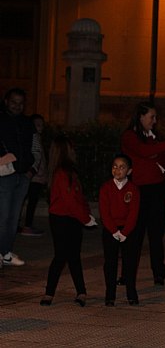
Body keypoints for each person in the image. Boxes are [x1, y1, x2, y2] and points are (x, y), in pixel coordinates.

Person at [121, 102, 165, 285]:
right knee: (135, 234)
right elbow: (144, 152)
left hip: (156, 189)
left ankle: (159, 273)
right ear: (141, 117)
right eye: (152, 117)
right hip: (139, 190)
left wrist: (157, 157)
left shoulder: (153, 136)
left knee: (156, 234)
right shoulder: (129, 136)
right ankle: (127, 274)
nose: (155, 121)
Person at [40, 135, 98, 306]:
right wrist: (85, 219)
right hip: (63, 219)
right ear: (66, 151)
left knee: (72, 256)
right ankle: (51, 292)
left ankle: (80, 292)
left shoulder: (66, 172)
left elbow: (79, 197)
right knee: (62, 256)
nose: (75, 151)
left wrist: (86, 215)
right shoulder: (62, 173)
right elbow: (70, 200)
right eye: (72, 148)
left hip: (68, 219)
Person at [0, 88, 39, 266]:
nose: (17, 106)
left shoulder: (27, 123)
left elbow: (36, 148)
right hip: (4, 174)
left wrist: (32, 170)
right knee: (3, 216)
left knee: (14, 217)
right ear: (6, 101)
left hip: (23, 175)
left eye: (20, 103)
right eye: (14, 102)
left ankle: (6, 252)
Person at [99, 153, 140, 306]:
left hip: (128, 231)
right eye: (115, 167)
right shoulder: (106, 187)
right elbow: (104, 212)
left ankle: (131, 292)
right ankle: (110, 294)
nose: (117, 170)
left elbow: (133, 213)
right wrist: (114, 231)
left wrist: (125, 232)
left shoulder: (133, 189)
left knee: (130, 262)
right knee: (110, 263)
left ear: (129, 171)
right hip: (111, 230)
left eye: (122, 167)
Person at [20, 113, 48, 236]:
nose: (40, 127)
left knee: (31, 201)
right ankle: (27, 225)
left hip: (38, 176)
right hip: (34, 176)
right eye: (37, 125)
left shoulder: (39, 139)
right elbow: (36, 158)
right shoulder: (32, 138)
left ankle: (25, 224)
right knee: (30, 201)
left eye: (41, 125)